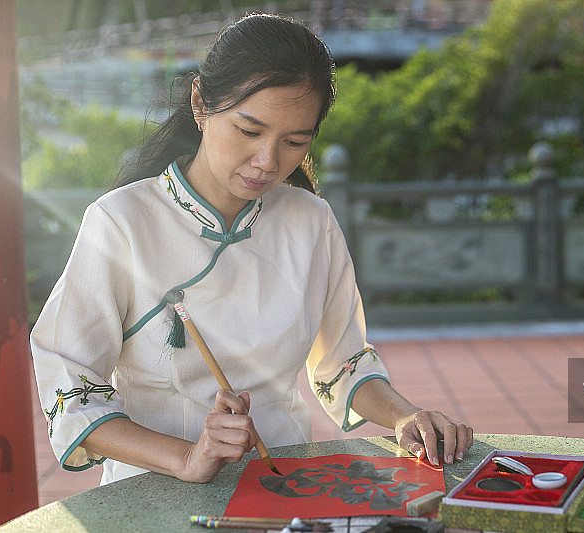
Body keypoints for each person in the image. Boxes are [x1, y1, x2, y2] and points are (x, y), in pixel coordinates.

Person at [31, 13, 472, 485]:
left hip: (282, 478)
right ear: (201, 103)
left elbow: (343, 364)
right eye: (249, 131)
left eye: (294, 141)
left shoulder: (311, 220)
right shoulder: (121, 222)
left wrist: (406, 418)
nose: (267, 162)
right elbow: (71, 387)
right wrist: (187, 457)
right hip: (154, 485)